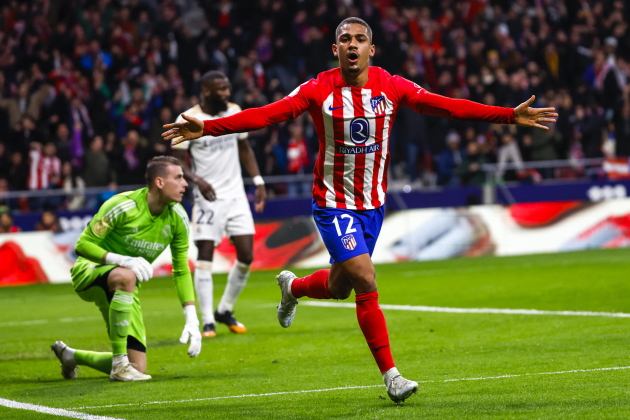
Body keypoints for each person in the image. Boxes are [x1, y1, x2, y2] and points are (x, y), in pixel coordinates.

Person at [162, 17, 557, 403]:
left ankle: (294, 287)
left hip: (373, 206)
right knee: (366, 279)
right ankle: (392, 377)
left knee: (340, 286)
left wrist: (507, 116)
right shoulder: (318, 88)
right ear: (335, 50)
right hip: (333, 204)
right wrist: (210, 127)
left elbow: (447, 107)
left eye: (360, 39)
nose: (352, 45)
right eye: (345, 39)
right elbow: (268, 114)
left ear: (372, 49)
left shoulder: (392, 86)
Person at [51, 156, 202, 382]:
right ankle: (119, 366)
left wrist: (192, 318)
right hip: (90, 271)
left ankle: (71, 356)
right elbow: (82, 245)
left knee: (138, 367)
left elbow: (181, 270)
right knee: (126, 275)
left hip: (125, 287)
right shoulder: (121, 206)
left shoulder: (178, 218)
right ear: (159, 182)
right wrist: (122, 259)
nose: (185, 183)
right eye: (178, 177)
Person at [172, 70, 267, 338]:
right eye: (222, 89)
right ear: (206, 91)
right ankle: (207, 322)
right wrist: (197, 180)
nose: (227, 93)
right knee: (205, 258)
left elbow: (245, 149)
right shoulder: (188, 119)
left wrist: (258, 180)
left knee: (247, 256)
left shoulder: (234, 111)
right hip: (208, 198)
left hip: (236, 195)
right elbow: (176, 160)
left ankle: (225, 309)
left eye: (227, 87)